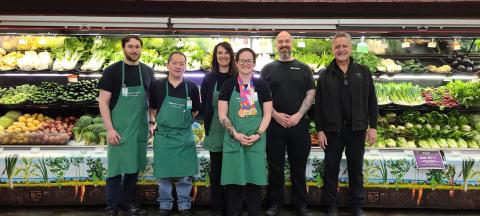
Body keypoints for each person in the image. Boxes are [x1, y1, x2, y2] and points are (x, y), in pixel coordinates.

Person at [315, 32, 378, 216]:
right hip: (332, 131)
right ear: (332, 49)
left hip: (357, 129)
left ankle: (357, 206)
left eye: (344, 46)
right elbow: (318, 106)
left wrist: (372, 126)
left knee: (356, 169)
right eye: (337, 47)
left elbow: (371, 101)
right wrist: (320, 130)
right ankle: (331, 206)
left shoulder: (363, 71)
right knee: (331, 169)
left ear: (350, 48)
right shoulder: (325, 75)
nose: (341, 49)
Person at [98, 35, 155, 216]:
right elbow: (103, 102)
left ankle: (128, 204)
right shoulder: (112, 71)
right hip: (119, 129)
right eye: (130, 46)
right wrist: (110, 129)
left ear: (141, 48)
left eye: (137, 47)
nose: (134, 50)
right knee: (115, 169)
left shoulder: (147, 71)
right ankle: (112, 206)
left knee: (133, 168)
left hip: (139, 128)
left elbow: (149, 101)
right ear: (123, 48)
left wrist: (152, 123)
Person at [261, 31, 315, 216]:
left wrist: (298, 115)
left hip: (298, 125)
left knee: (298, 167)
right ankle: (275, 203)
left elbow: (310, 94)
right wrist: (275, 115)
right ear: (276, 45)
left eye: (287, 41)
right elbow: (262, 96)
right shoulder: (267, 69)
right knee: (275, 167)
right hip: (274, 126)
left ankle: (301, 204)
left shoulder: (304, 68)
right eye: (280, 42)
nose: (284, 44)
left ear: (292, 43)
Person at [218, 48, 272, 216]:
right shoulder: (227, 86)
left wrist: (258, 134)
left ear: (254, 63)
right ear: (236, 63)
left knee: (254, 185)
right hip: (234, 140)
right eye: (242, 60)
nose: (246, 63)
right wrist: (234, 133)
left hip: (256, 141)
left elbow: (268, 114)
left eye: (249, 60)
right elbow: (222, 115)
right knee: (234, 185)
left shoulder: (262, 86)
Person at [148, 51, 201, 216]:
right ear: (168, 65)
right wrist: (165, 123)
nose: (178, 66)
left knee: (185, 175)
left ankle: (184, 205)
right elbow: (153, 108)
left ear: (185, 66)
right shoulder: (157, 85)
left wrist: (181, 124)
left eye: (182, 63)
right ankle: (165, 205)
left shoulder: (191, 87)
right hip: (164, 135)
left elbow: (195, 111)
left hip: (184, 135)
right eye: (175, 63)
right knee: (163, 174)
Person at [200, 42, 236, 216]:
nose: (223, 56)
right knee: (216, 172)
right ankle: (217, 208)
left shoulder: (237, 76)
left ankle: (232, 208)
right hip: (215, 128)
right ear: (215, 56)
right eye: (219, 53)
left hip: (234, 129)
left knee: (232, 171)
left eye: (226, 52)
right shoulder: (209, 78)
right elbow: (205, 104)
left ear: (231, 55)